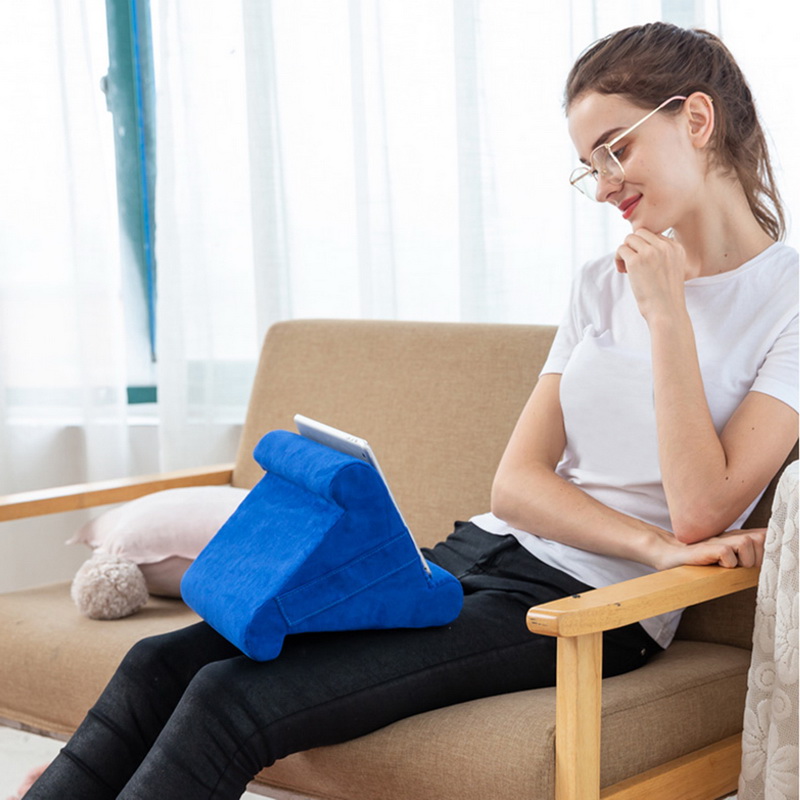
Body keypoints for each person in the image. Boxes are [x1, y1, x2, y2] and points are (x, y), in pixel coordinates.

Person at [14, 20, 798, 800]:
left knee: (232, 701)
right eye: (587, 166)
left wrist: (667, 319)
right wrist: (647, 542)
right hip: (470, 554)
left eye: (615, 150)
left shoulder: (782, 302)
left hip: (588, 605)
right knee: (161, 662)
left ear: (696, 119)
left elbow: (700, 511)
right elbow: (515, 487)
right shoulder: (600, 282)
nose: (603, 186)